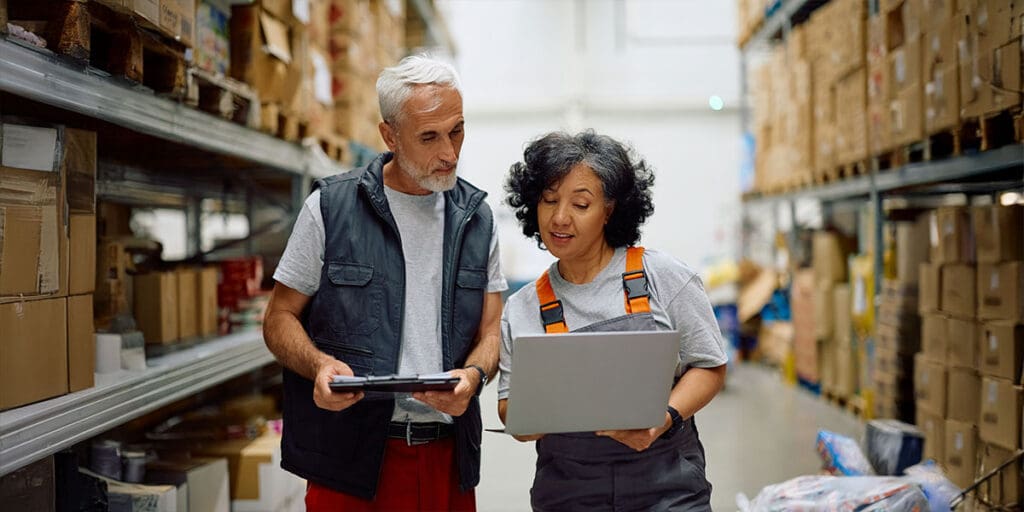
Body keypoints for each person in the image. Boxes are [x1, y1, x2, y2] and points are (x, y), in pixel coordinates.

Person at [263, 54, 507, 511]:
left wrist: (473, 375)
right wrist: (318, 366)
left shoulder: (478, 220)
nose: (450, 153)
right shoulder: (330, 209)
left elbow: (491, 331)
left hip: (446, 460)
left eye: (456, 130)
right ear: (390, 136)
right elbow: (279, 317)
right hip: (349, 464)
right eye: (429, 137)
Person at [499, 131, 728, 511]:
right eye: (549, 200)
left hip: (667, 487)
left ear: (609, 210)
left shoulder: (662, 277)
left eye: (581, 204)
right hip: (569, 493)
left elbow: (709, 366)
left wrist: (664, 418)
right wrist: (553, 409)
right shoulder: (523, 307)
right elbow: (510, 412)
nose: (559, 218)